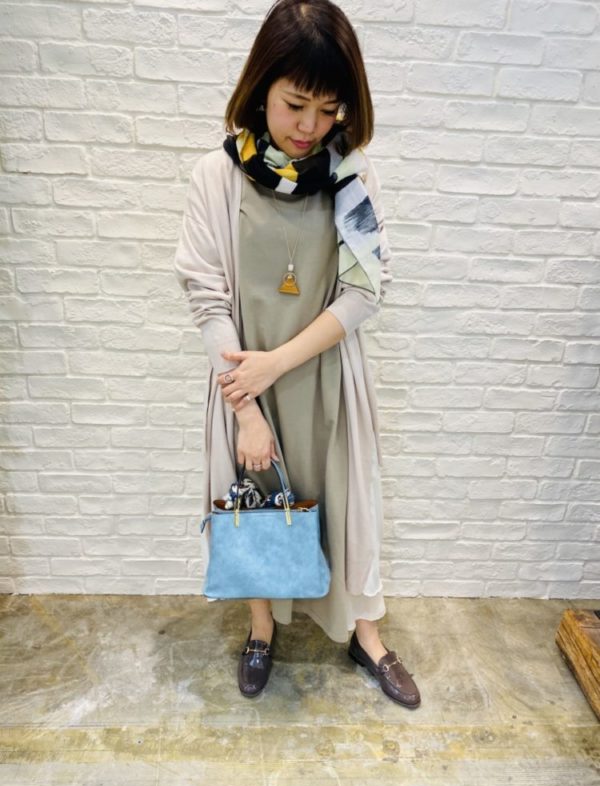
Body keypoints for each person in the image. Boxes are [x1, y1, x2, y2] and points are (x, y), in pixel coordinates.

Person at [173, 0, 420, 708]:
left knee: (350, 509)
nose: (310, 127)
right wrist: (247, 410)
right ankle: (261, 629)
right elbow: (207, 298)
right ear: (261, 89)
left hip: (327, 380)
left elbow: (365, 292)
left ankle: (366, 633)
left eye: (328, 110)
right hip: (243, 387)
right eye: (295, 105)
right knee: (254, 508)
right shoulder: (216, 177)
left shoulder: (352, 178)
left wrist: (277, 362)